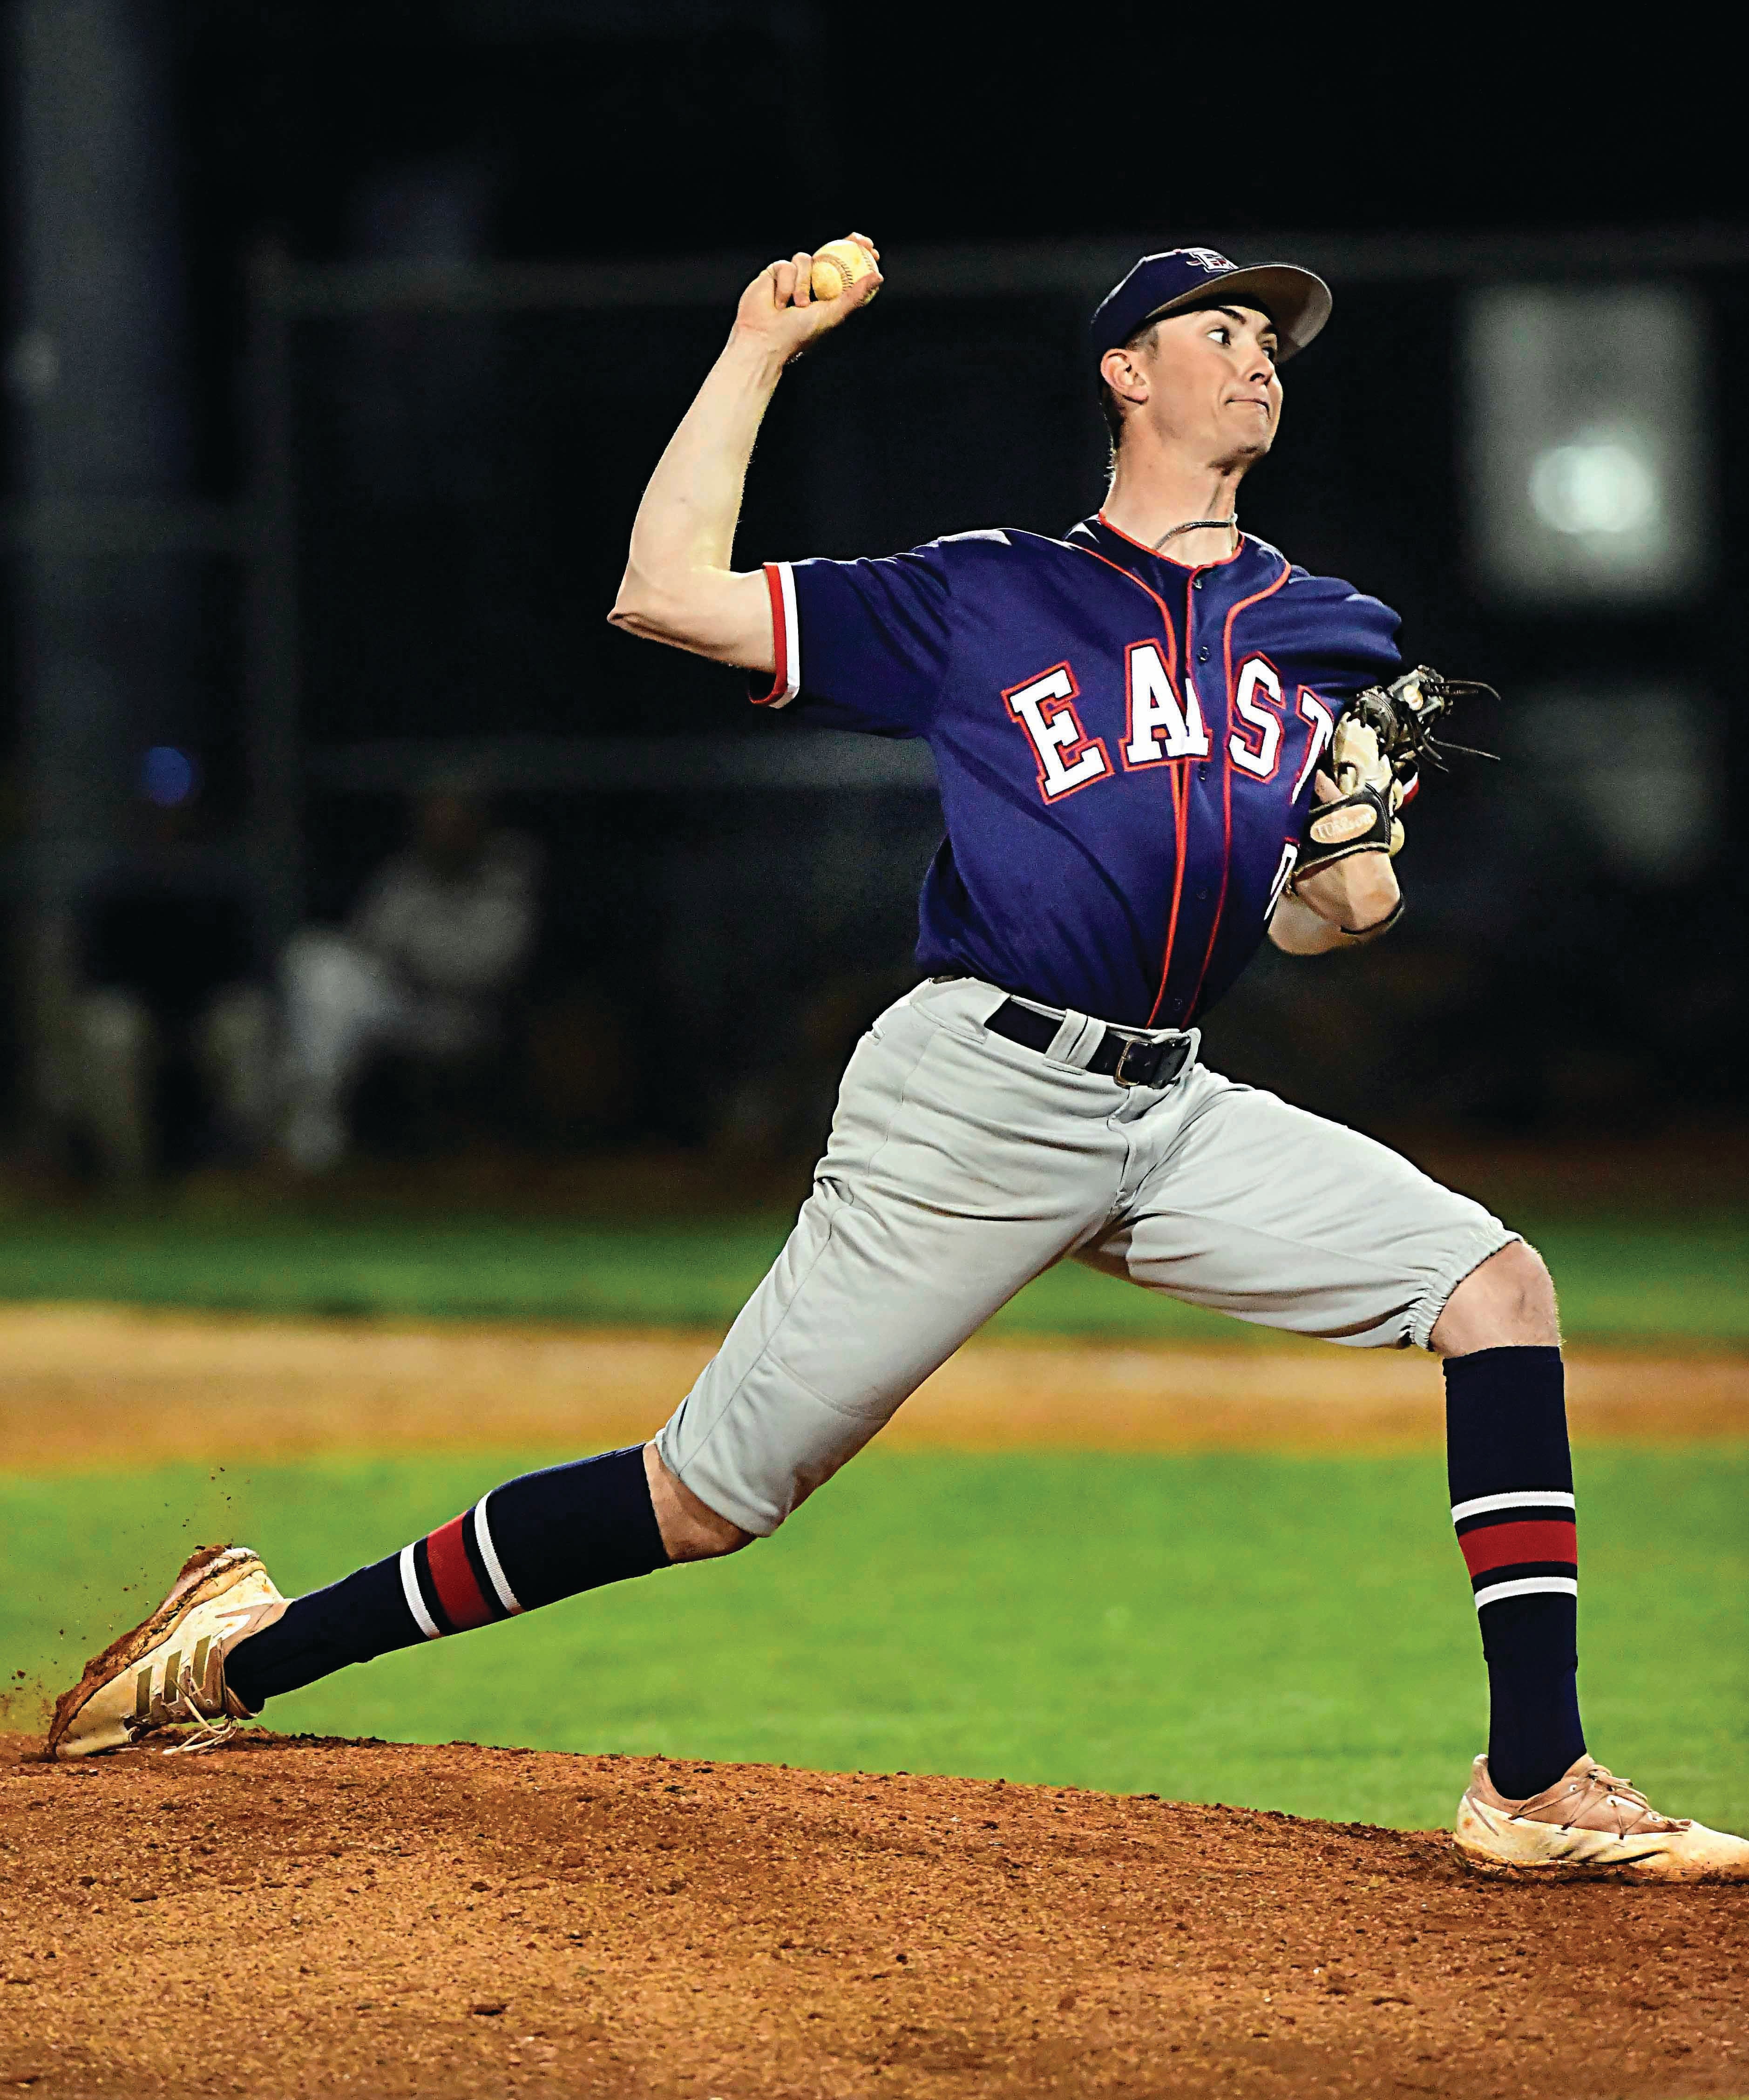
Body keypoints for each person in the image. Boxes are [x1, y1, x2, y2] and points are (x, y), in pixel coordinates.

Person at [47, 243, 1747, 1879]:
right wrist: (757, 350)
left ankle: (1531, 1777)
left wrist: (1355, 864)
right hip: (973, 1098)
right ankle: (240, 1658)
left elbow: (1322, 917)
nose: (1254, 358)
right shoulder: (991, 591)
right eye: (1216, 329)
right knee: (705, 1495)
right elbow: (665, 593)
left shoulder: (1326, 632)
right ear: (1125, 372)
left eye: (1270, 341)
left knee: (1493, 1286)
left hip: (1167, 1103)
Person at [279, 779, 537, 1172]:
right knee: (315, 959)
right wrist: (404, 961)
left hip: (465, 1021)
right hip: (408, 1007)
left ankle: (310, 1132)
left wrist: (417, 958)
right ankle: (312, 1132)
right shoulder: (407, 877)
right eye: (435, 819)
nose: (443, 830)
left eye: (455, 820)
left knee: (331, 996)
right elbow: (368, 943)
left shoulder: (506, 877)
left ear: (476, 825)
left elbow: (495, 965)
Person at [69, 789, 272, 1187]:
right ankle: (128, 1183)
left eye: (179, 817)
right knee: (108, 1028)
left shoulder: (226, 886)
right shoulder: (112, 888)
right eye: (159, 818)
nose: (169, 828)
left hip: (208, 1020)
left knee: (244, 1021)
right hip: (140, 1021)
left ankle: (246, 1174)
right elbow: (94, 976)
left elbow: (249, 973)